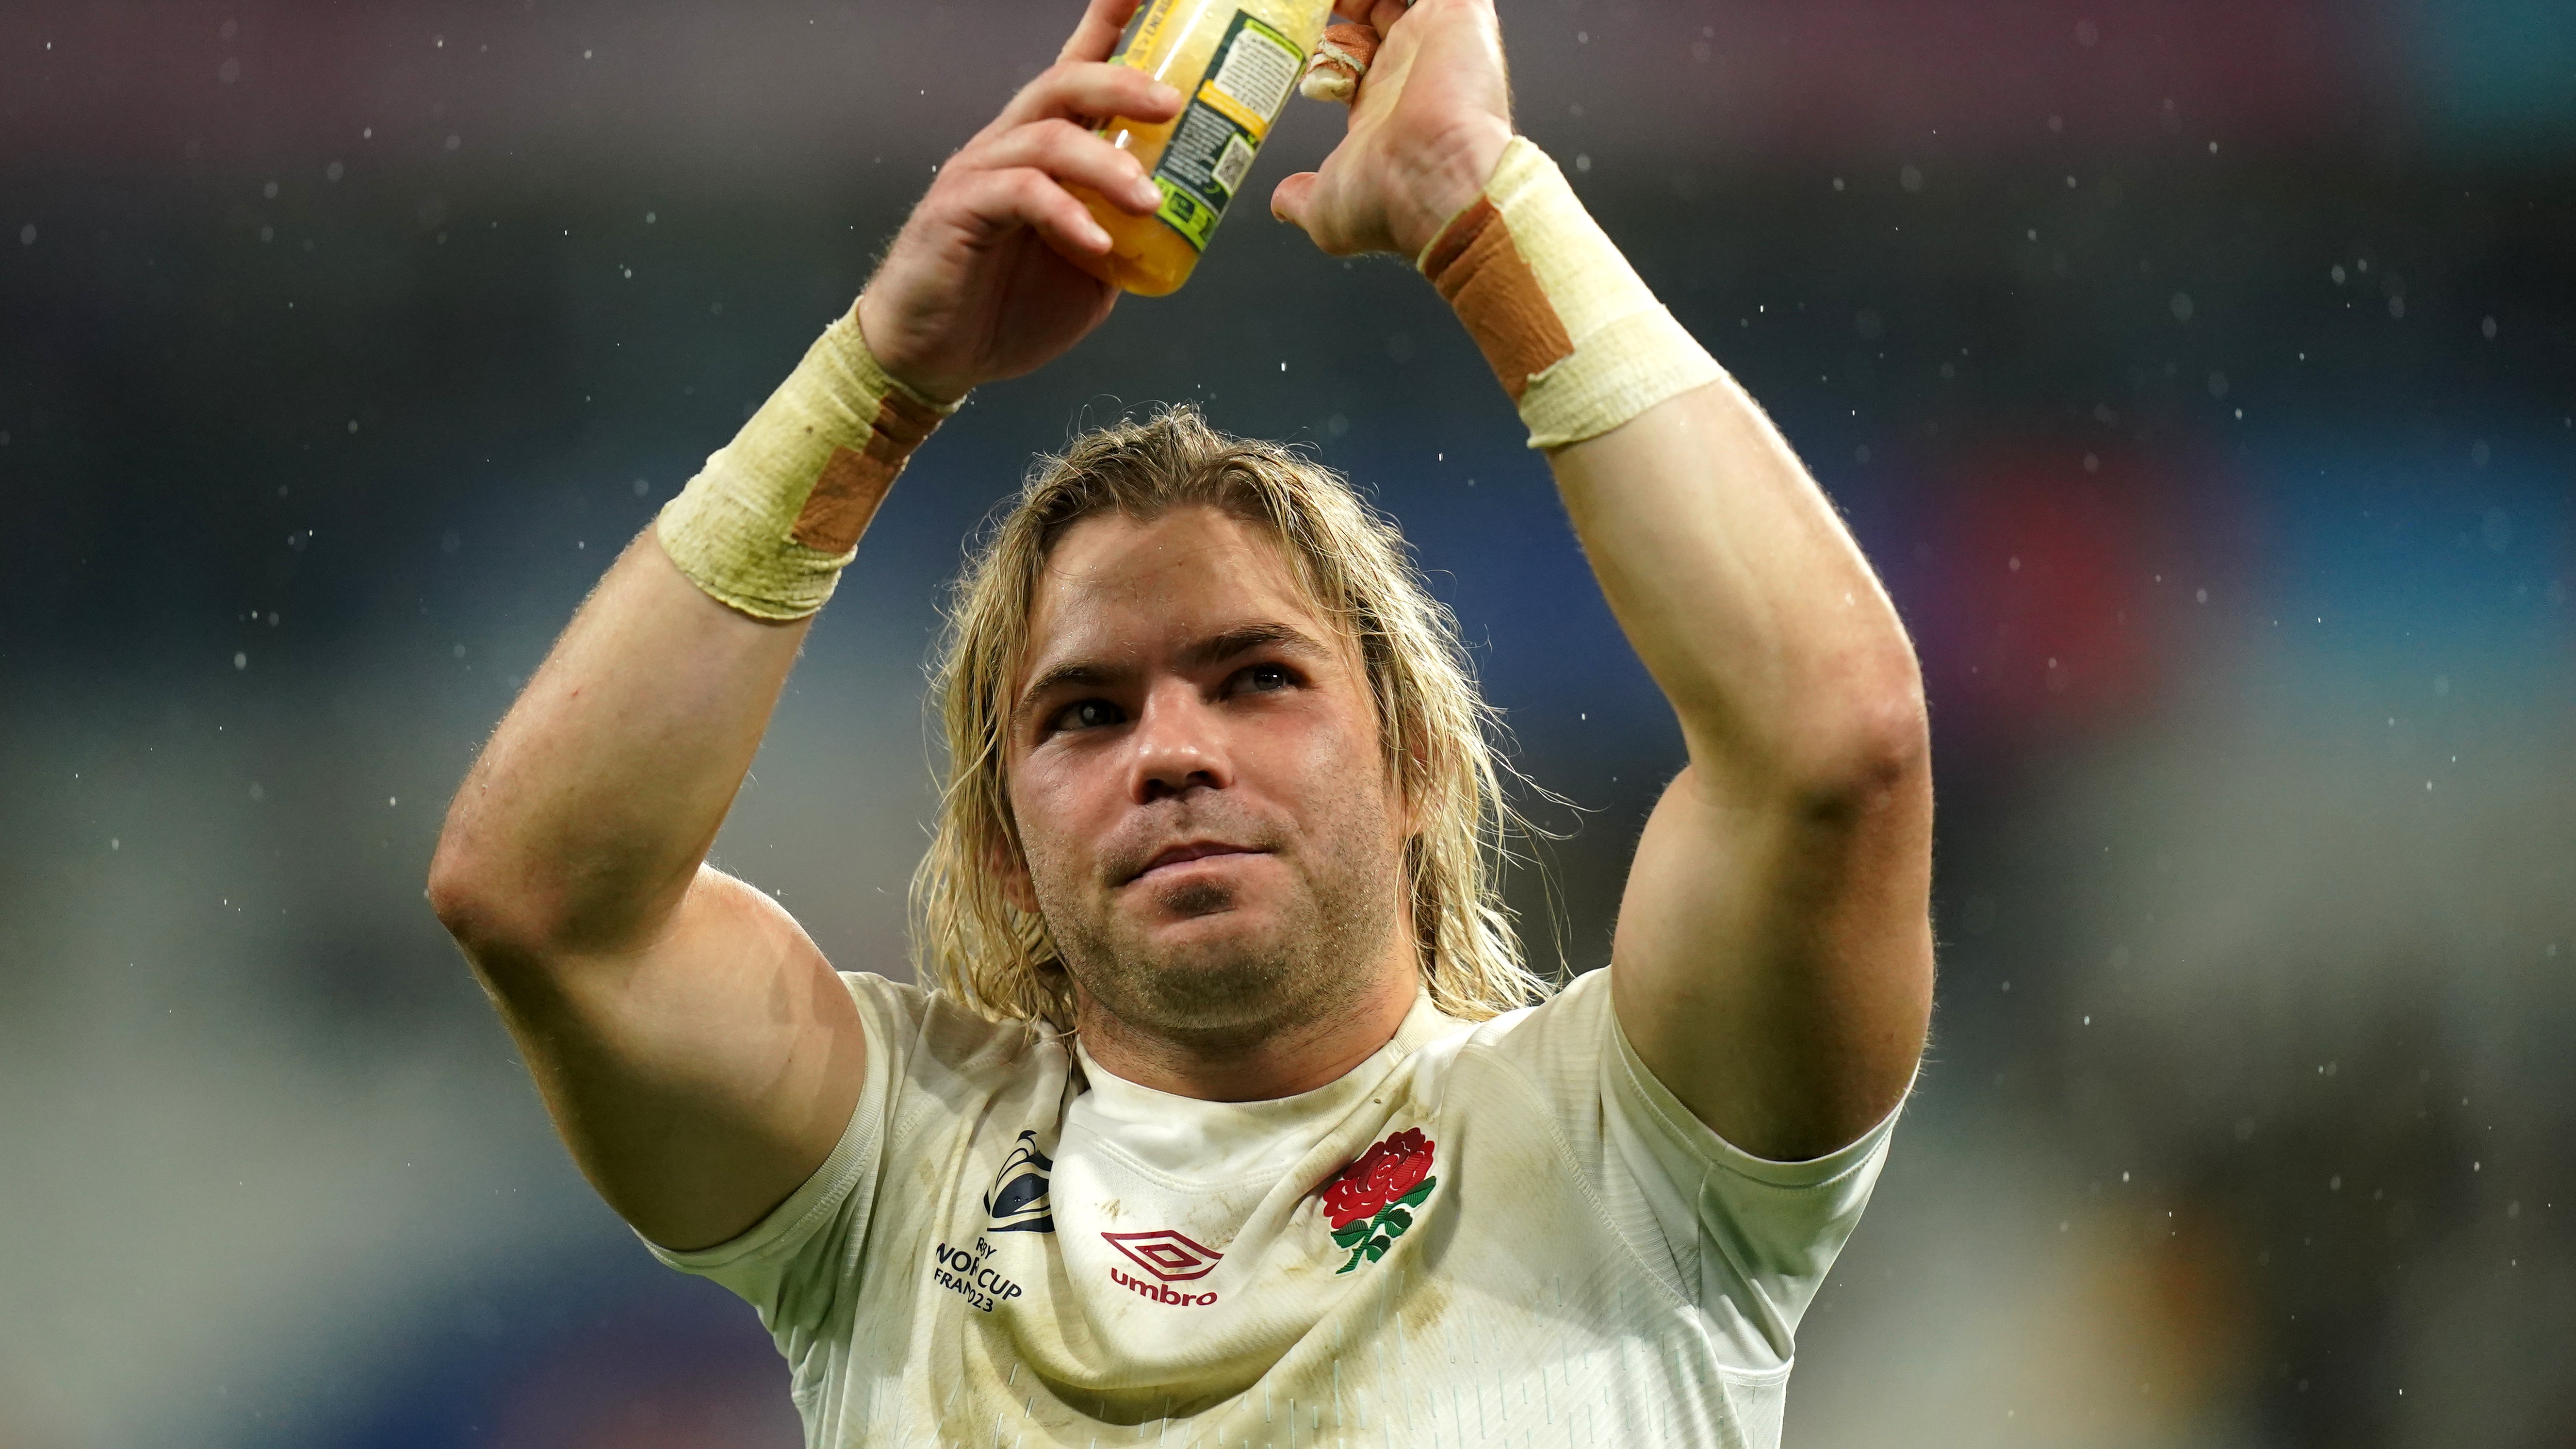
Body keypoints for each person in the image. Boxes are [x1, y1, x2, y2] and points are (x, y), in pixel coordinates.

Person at [426, 0, 1934, 1441]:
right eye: (1084, 713)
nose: (1173, 751)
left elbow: (1836, 745)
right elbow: (539, 898)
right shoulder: (901, 1171)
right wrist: (881, 376)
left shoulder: (1632, 1142)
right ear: (1004, 848)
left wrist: (1476, 207)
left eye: (1258, 676)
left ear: (1413, 761)